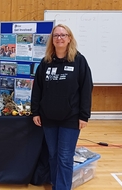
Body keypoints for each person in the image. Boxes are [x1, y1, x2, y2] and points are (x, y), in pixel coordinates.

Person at [31, 24, 93, 190]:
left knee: (65, 157)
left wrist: (84, 115)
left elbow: (86, 89)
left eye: (63, 35)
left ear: (69, 39)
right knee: (53, 155)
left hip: (71, 118)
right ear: (52, 40)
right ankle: (55, 184)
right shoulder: (45, 63)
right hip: (48, 117)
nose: (59, 38)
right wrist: (35, 112)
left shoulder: (79, 61)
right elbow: (37, 89)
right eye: (56, 35)